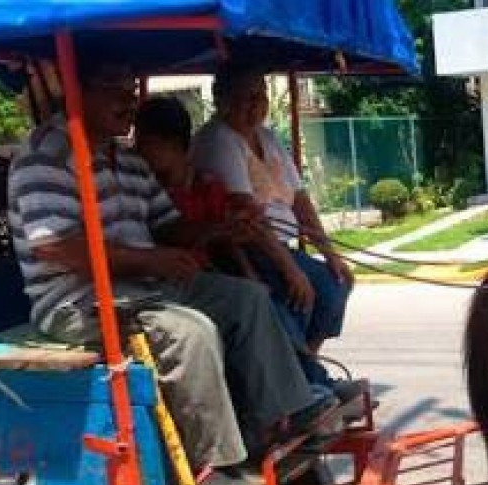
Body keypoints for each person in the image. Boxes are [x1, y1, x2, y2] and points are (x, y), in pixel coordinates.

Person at [6, 59, 338, 485]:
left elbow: (168, 225)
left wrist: (219, 229)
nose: (128, 100)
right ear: (77, 93)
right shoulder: (46, 154)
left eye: (130, 89)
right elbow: (58, 248)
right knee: (189, 332)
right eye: (113, 88)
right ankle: (210, 470)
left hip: (143, 285)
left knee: (248, 298)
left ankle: (282, 417)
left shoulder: (125, 158)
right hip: (76, 301)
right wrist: (151, 259)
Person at [133, 96, 337, 404]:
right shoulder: (147, 182)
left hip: (213, 268)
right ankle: (303, 388)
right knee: (263, 306)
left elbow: (222, 234)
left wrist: (249, 271)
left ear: (181, 148)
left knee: (275, 294)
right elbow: (167, 235)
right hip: (178, 276)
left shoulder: (204, 185)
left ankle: (304, 380)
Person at [189, 61, 365, 408]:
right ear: (221, 99)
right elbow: (248, 216)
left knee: (335, 283)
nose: (254, 105)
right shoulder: (219, 140)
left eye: (260, 95)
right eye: (243, 97)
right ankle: (309, 386)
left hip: (280, 244)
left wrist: (330, 254)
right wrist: (291, 270)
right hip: (247, 248)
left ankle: (307, 373)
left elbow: (300, 200)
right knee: (295, 297)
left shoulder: (266, 137)